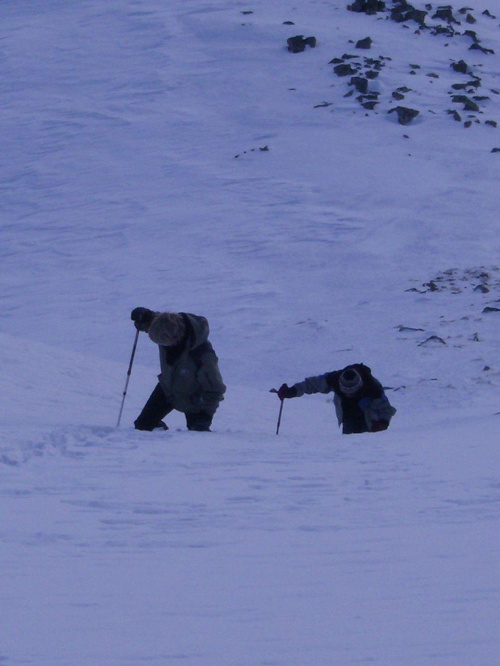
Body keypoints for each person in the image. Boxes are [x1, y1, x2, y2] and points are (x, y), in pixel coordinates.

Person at [131, 307, 226, 432]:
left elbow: (216, 390)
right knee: (142, 427)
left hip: (195, 400)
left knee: (197, 435)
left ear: (175, 339)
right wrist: (145, 317)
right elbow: (157, 320)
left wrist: (203, 413)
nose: (164, 346)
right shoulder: (167, 325)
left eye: (165, 343)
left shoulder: (203, 356)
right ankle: (158, 432)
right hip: (168, 388)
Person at [275, 363, 396, 434]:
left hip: (369, 423)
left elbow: (387, 409)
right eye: (345, 391)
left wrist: (382, 423)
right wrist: (292, 391)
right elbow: (311, 384)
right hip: (347, 419)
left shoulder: (372, 387)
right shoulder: (333, 379)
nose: (349, 395)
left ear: (360, 385)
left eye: (352, 391)